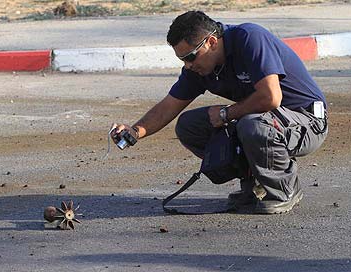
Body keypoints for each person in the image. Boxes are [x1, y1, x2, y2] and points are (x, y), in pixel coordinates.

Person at [110, 11, 328, 214]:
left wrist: (227, 113)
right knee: (190, 126)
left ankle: (284, 189)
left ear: (212, 42)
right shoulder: (200, 67)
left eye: (190, 57)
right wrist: (135, 131)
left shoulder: (249, 38)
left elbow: (271, 97)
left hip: (307, 120)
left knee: (252, 125)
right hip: (266, 120)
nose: (187, 65)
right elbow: (168, 106)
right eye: (182, 60)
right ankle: (255, 184)